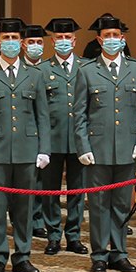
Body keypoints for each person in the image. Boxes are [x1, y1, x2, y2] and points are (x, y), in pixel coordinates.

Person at [73, 15, 136, 272]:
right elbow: (80, 114)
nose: (111, 40)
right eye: (106, 36)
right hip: (97, 151)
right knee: (97, 205)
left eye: (116, 35)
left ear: (123, 38)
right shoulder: (87, 71)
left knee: (121, 205)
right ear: (99, 40)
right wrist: (83, 147)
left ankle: (119, 253)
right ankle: (99, 254)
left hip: (128, 150)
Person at [0, 18, 50, 272]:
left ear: (22, 43)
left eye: (15, 38)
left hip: (28, 151)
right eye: (6, 39)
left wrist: (44, 149)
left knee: (24, 208)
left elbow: (43, 117)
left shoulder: (35, 75)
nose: (11, 43)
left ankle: (23, 257)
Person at [40, 18, 89, 255]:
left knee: (77, 191)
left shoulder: (87, 67)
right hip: (52, 140)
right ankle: (53, 236)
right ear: (52, 41)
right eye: (58, 38)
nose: (63, 42)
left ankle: (74, 235)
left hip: (80, 141)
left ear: (74, 40)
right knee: (50, 191)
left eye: (67, 37)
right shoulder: (42, 69)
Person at [20, 23, 48, 238]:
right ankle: (31, 219)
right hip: (23, 135)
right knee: (30, 182)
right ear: (23, 45)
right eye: (31, 42)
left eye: (39, 42)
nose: (35, 46)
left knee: (45, 183)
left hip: (48, 131)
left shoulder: (47, 68)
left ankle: (41, 220)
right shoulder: (17, 68)